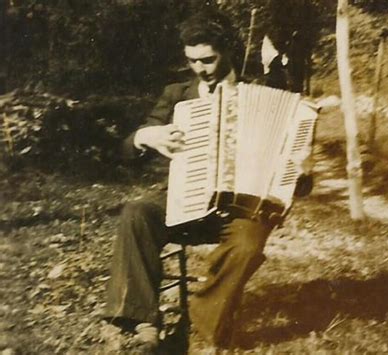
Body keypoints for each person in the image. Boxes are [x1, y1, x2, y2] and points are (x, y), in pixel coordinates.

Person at [103, 8, 313, 350]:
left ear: (227, 50)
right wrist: (147, 136)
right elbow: (125, 149)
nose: (200, 69)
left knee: (247, 245)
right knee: (136, 213)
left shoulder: (262, 92)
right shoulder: (175, 94)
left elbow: (296, 175)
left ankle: (199, 324)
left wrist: (300, 168)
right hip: (184, 201)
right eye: (192, 61)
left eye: (208, 59)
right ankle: (144, 324)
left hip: (242, 211)